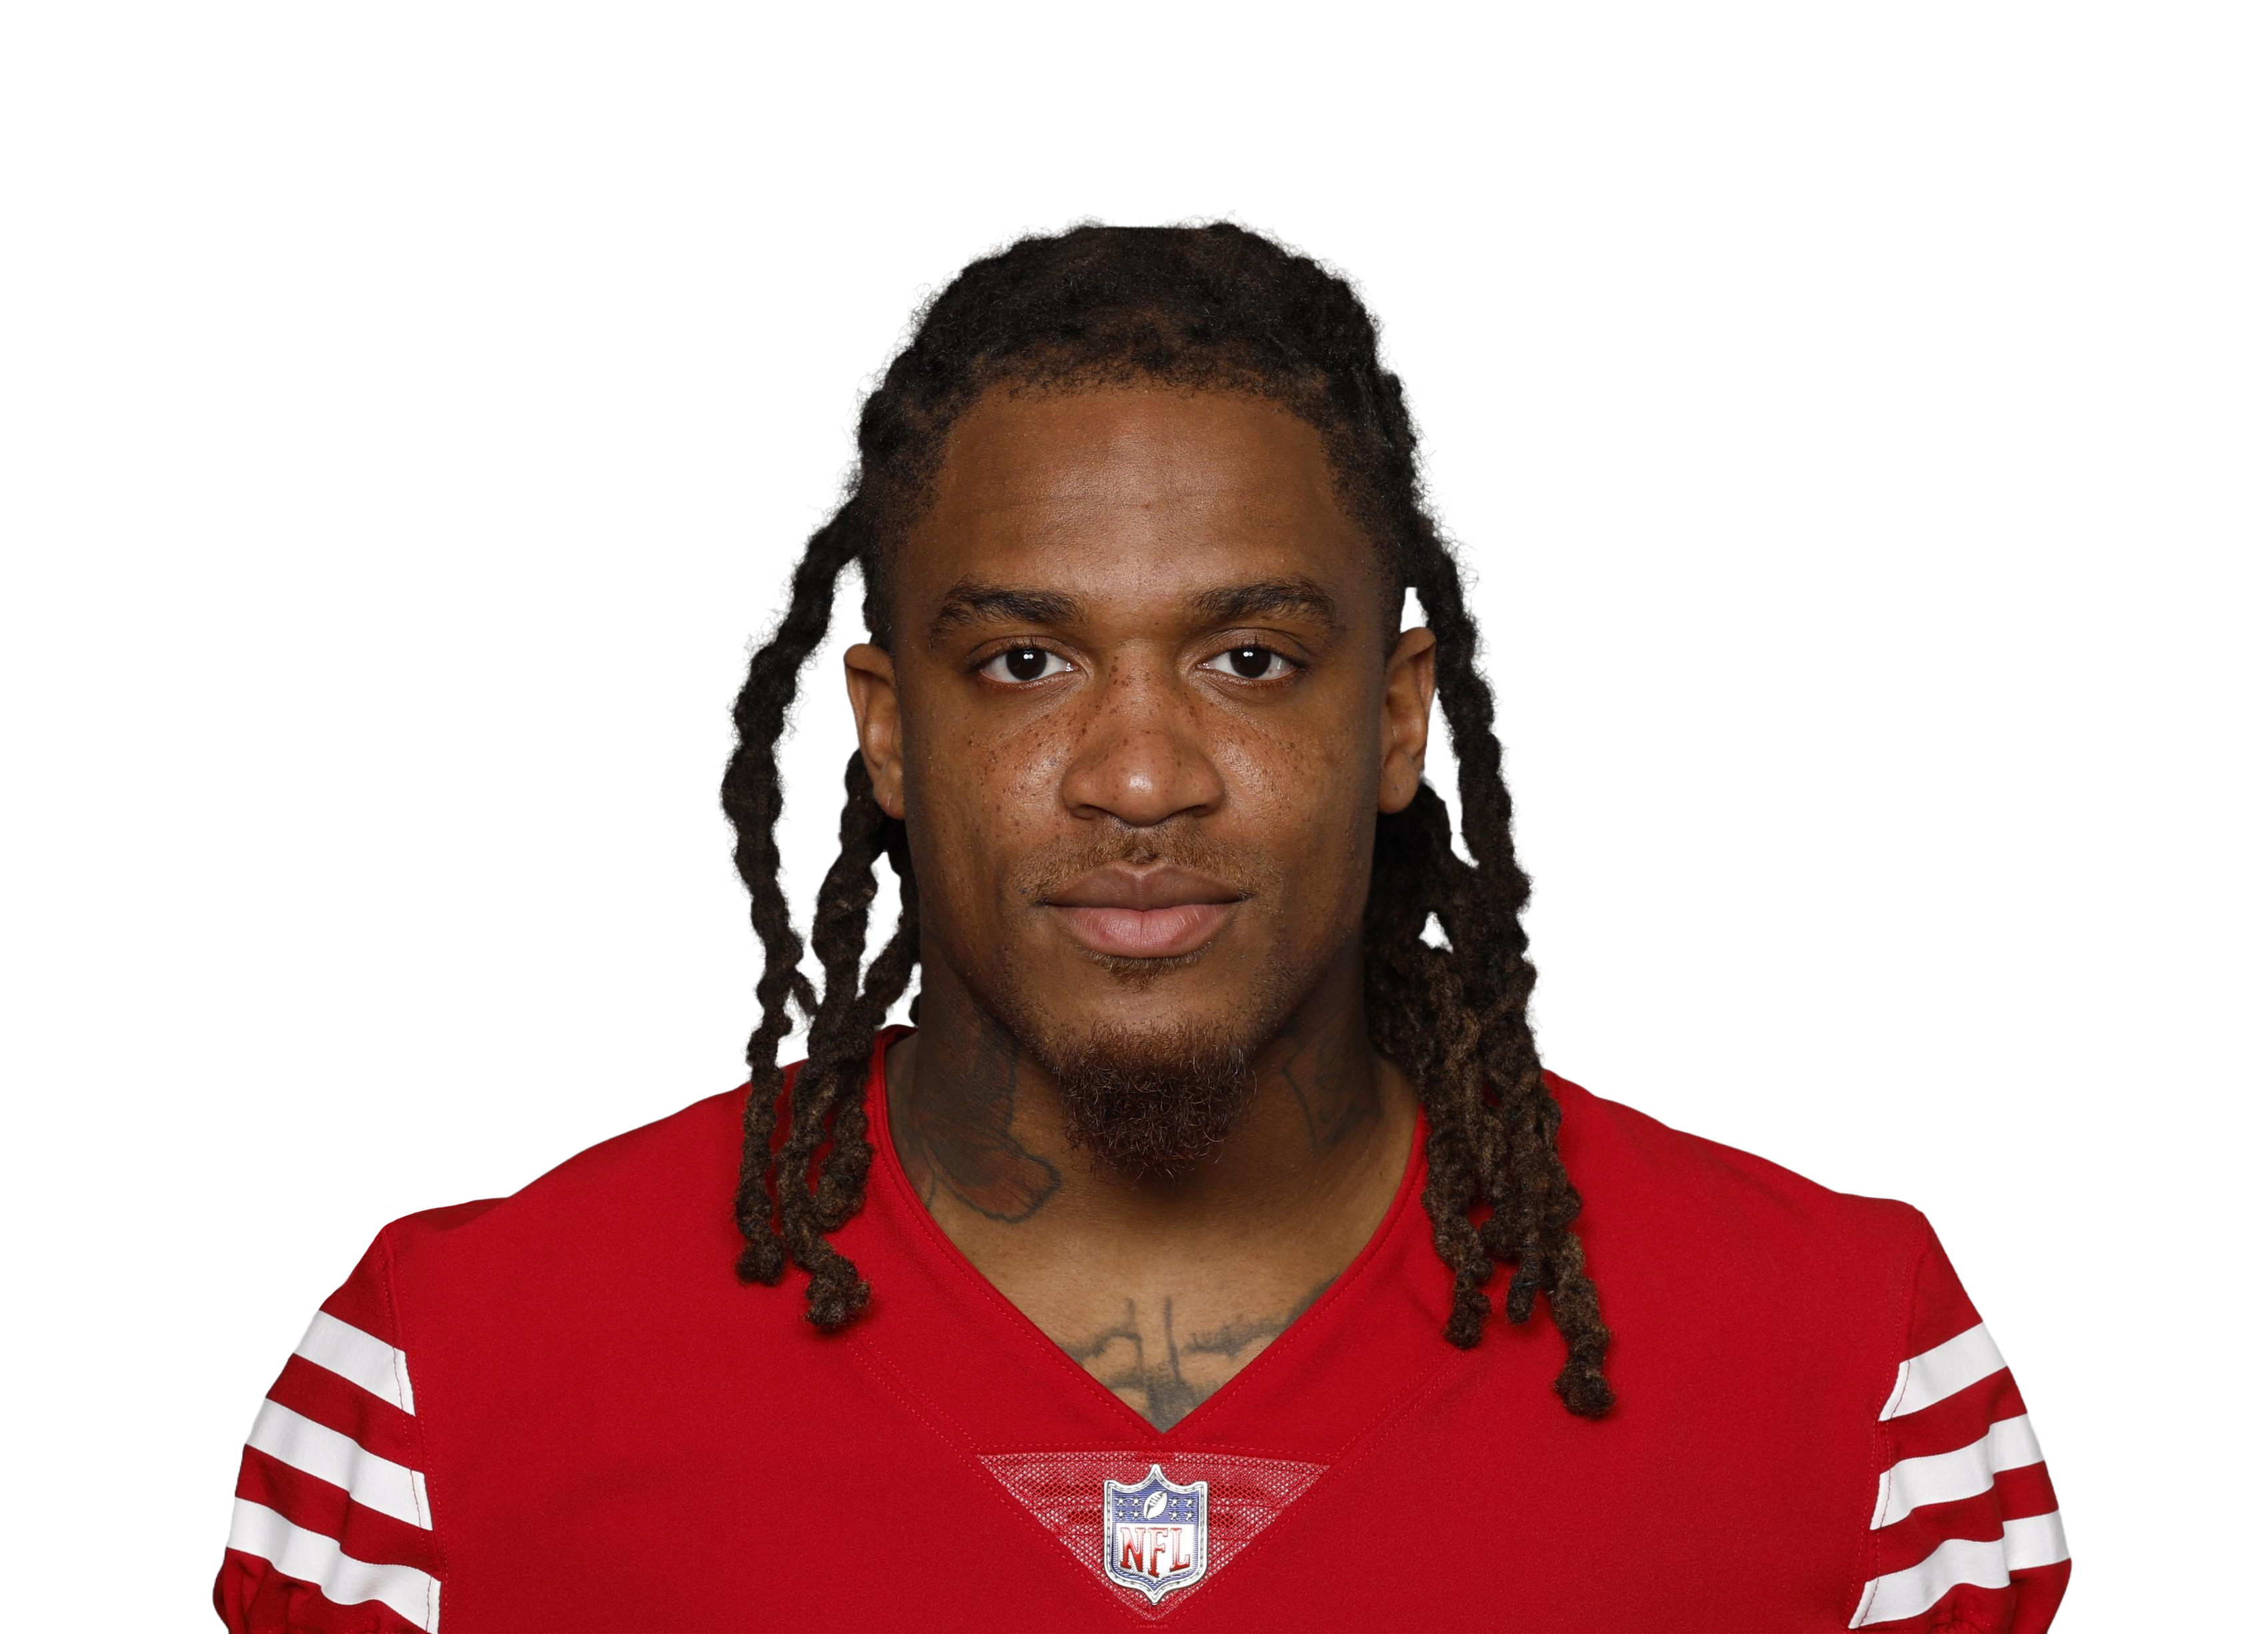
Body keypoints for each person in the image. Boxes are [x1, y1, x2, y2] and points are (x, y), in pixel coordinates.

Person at [213, 212, 2071, 1631]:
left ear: (1400, 715)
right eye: (1025, 662)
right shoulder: (438, 1400)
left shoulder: (1858, 1383)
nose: (1139, 777)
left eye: (1249, 657)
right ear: (885, 732)